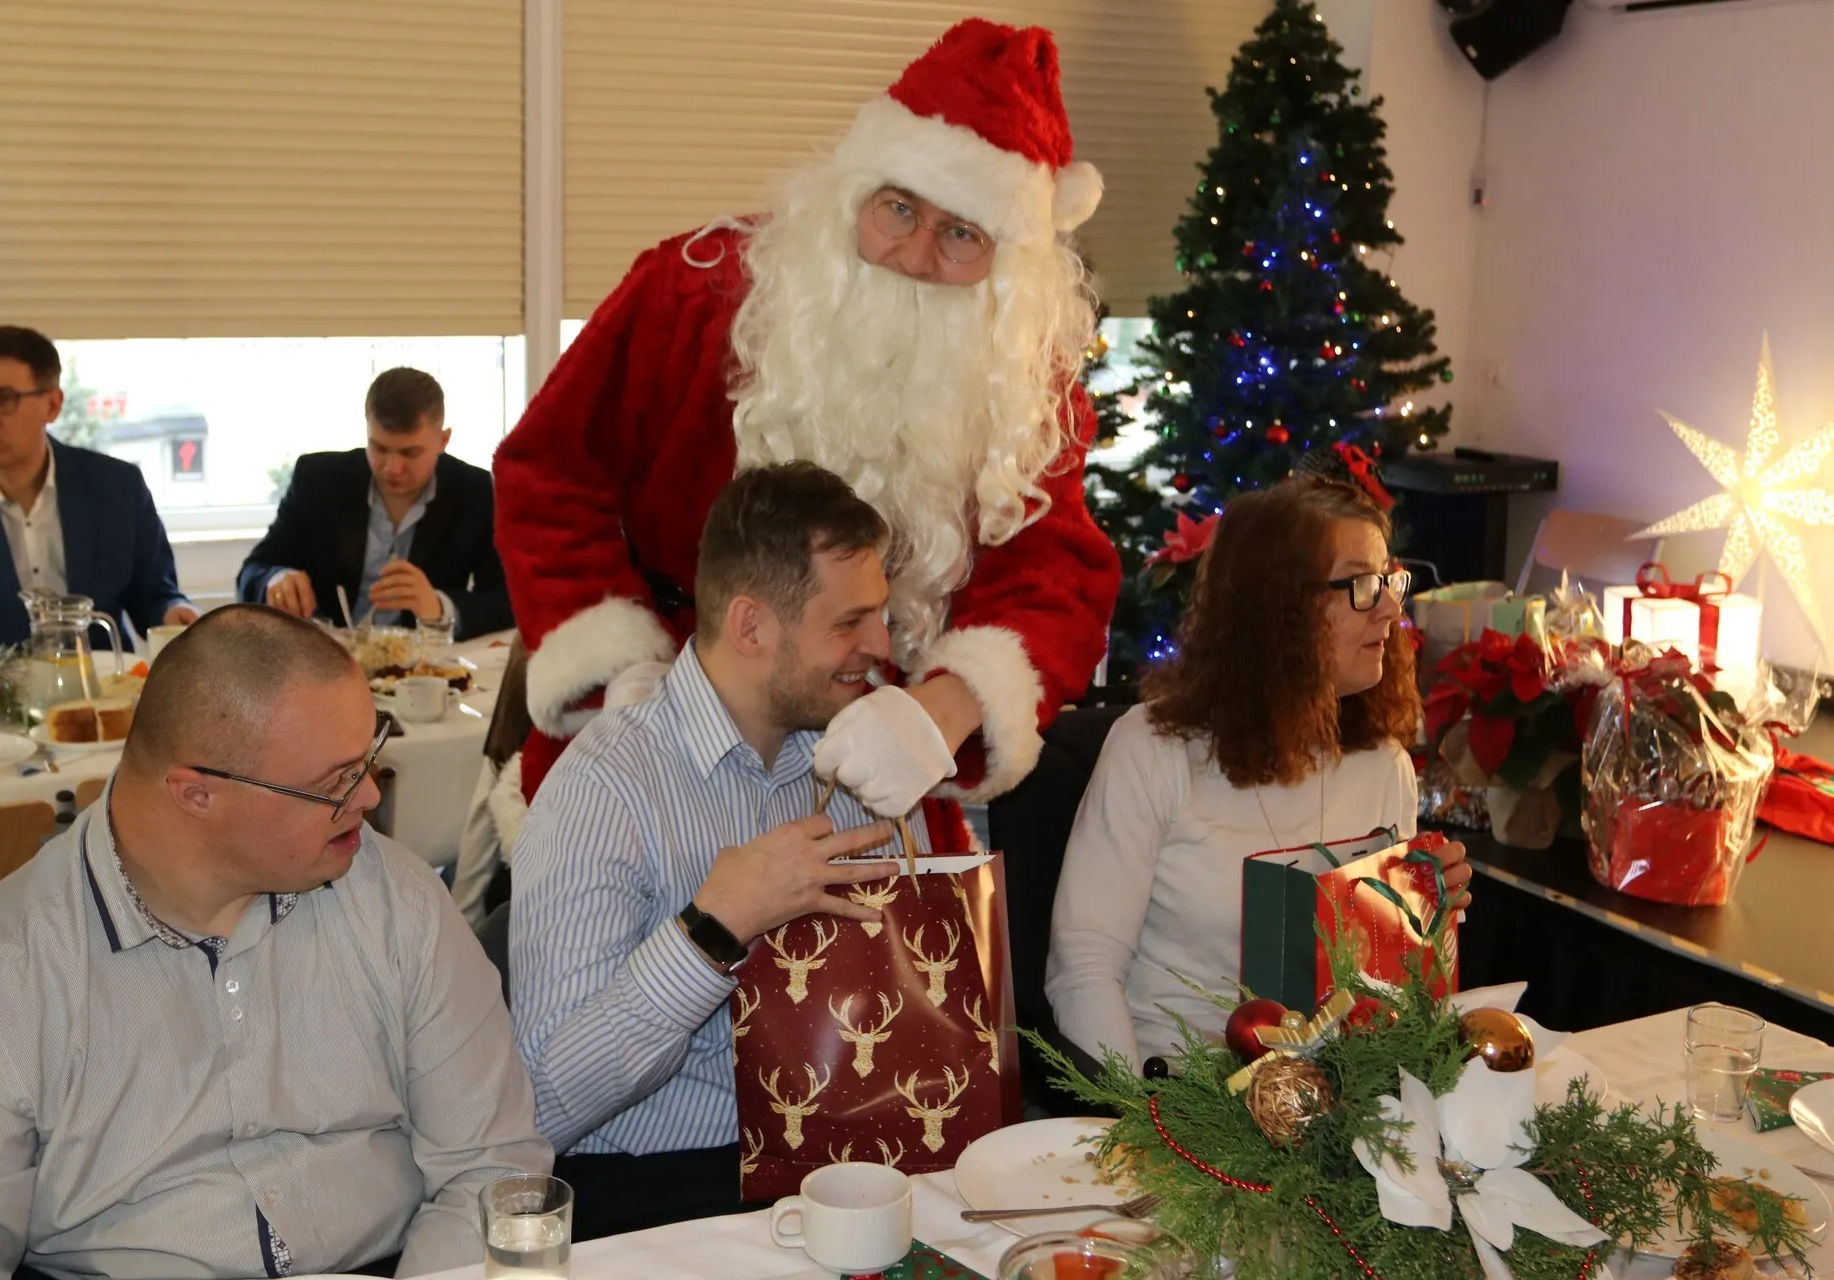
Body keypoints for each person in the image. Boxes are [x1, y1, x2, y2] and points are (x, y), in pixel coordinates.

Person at [493, 18, 1121, 819]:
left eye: (961, 233)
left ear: (1007, 262)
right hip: (648, 730)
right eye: (898, 208)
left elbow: (1054, 575)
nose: (915, 255)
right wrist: (624, 666)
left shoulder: (1022, 381)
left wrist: (945, 708)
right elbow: (548, 474)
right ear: (852, 190)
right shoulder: (691, 292)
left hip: (871, 762)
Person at [0, 605, 550, 1279]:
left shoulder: (398, 901)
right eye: (334, 782)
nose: (368, 795)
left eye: (369, 755)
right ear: (196, 796)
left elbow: (492, 1163)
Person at [510, 464, 907, 1240]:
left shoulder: (855, 763)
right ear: (751, 627)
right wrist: (712, 930)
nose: (881, 646)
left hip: (844, 1162)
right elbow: (541, 1104)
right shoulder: (606, 787)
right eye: (850, 622)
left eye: (881, 615)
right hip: (661, 1192)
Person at [1045, 476, 1475, 1070]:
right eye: (1360, 586)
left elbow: (1379, 984)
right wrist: (1139, 1111)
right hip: (1178, 1089)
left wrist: (1426, 917)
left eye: (1389, 580)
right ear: (1278, 608)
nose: (1391, 609)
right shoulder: (1154, 750)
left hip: (1335, 1097)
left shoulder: (1384, 765)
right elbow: (1083, 969)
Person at [0, 325, 196, 646]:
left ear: (52, 405)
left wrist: (174, 611)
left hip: (101, 675)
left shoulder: (117, 488)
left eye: (4, 398)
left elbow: (155, 596)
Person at [238, 367, 512, 639]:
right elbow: (252, 572)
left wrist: (439, 608)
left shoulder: (475, 492)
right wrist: (274, 580)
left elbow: (506, 601)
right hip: (325, 655)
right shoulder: (317, 479)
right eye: (379, 448)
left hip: (423, 661)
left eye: (410, 453)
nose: (392, 468)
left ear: (443, 440)